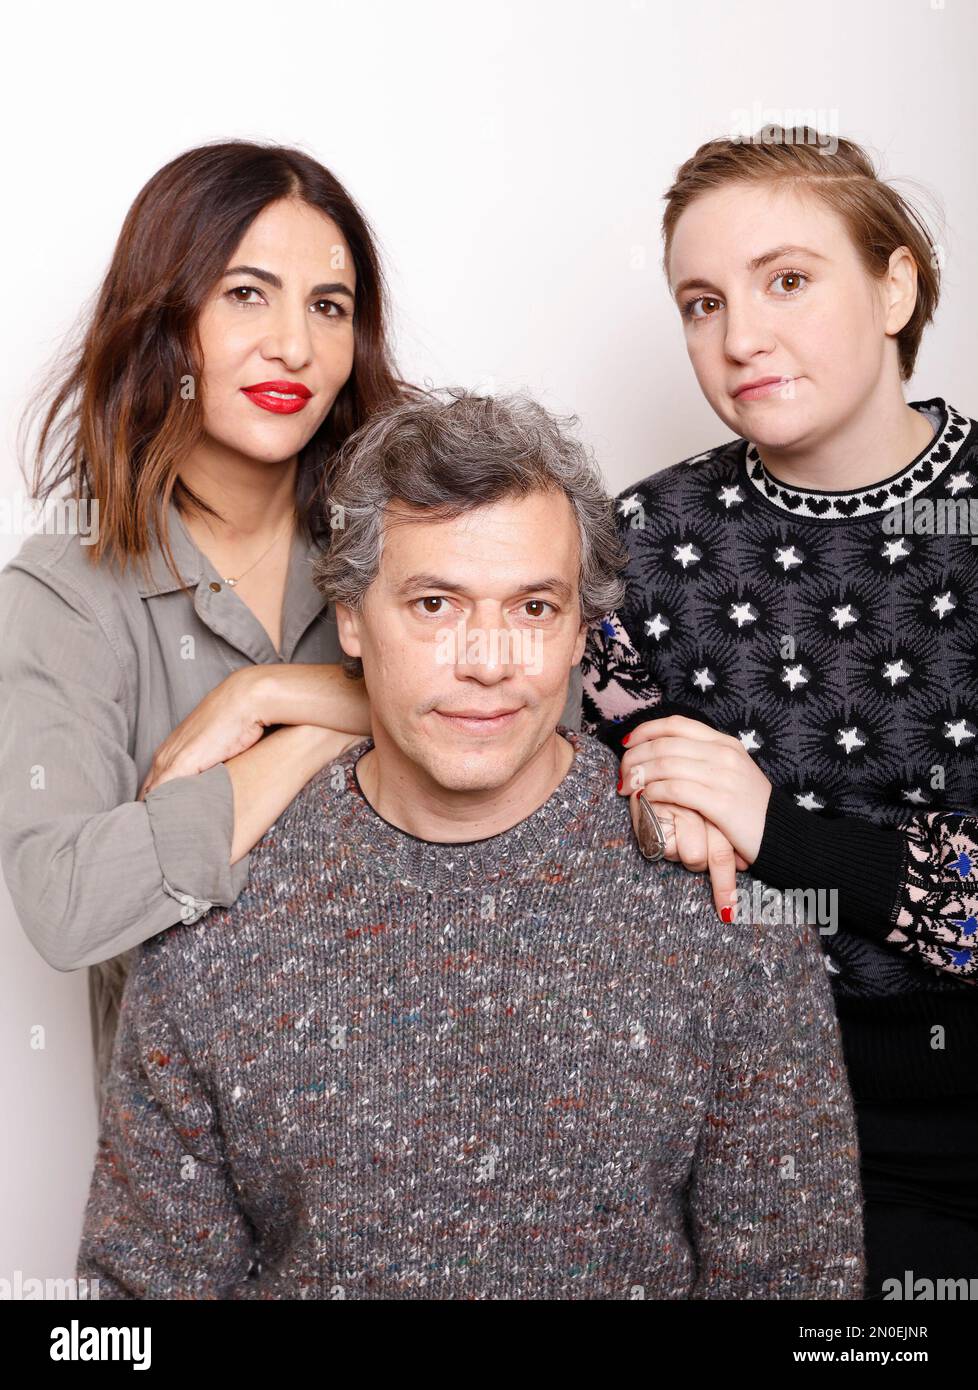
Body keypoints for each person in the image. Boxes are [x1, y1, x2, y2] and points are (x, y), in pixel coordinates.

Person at [75, 389, 863, 1300]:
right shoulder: (216, 919)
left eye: (534, 607)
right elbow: (132, 1306)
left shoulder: (723, 909)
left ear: (581, 636)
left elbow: (802, 1299)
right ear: (353, 621)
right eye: (436, 602)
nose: (487, 659)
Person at [580, 126, 978, 1299]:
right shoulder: (643, 541)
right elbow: (531, 761)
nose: (739, 337)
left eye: (787, 280)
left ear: (896, 283)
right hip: (733, 1116)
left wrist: (776, 829)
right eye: (700, 303)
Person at [0, 139, 425, 1106]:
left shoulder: (406, 533)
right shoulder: (67, 592)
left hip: (430, 1140)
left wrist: (271, 690)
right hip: (195, 1183)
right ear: (163, 318)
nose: (295, 346)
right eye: (246, 294)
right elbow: (67, 902)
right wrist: (310, 738)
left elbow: (548, 706)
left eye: (329, 306)